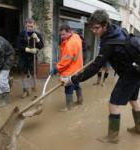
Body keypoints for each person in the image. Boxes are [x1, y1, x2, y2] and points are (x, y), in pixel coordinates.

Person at [60, 10, 140, 143]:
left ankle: (112, 137)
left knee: (113, 103)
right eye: (91, 27)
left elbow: (94, 68)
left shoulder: (110, 42)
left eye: (96, 28)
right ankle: (139, 128)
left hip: (130, 74)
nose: (93, 31)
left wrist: (72, 79)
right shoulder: (117, 30)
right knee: (133, 100)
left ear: (105, 25)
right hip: (136, 70)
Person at [51, 24, 84, 111]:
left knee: (68, 88)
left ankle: (69, 107)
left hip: (70, 72)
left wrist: (56, 69)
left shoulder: (69, 45)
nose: (62, 37)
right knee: (76, 84)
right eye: (61, 35)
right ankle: (80, 100)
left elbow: (65, 61)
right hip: (78, 68)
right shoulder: (76, 36)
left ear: (69, 32)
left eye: (63, 34)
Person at [18, 18, 44, 98]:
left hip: (33, 58)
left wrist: (37, 39)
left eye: (32, 26)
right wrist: (28, 49)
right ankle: (25, 90)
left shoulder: (37, 34)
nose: (30, 28)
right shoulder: (22, 34)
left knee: (33, 73)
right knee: (24, 74)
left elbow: (41, 46)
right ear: (26, 25)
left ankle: (33, 87)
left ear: (34, 25)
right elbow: (18, 46)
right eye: (28, 26)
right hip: (23, 57)